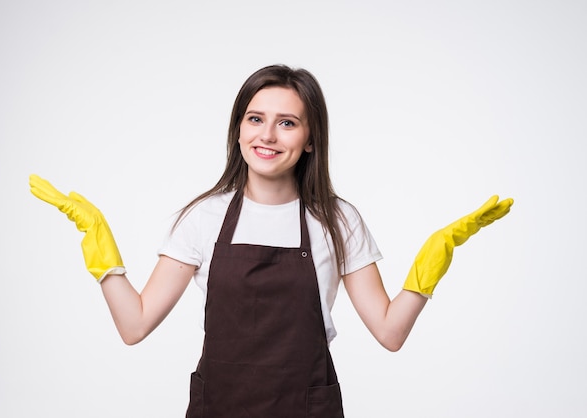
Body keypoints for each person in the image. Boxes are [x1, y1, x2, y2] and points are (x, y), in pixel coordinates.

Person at [29, 64, 513, 417]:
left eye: (287, 122)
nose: (268, 134)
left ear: (309, 140)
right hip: (220, 407)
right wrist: (100, 246)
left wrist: (433, 259)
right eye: (255, 118)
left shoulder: (337, 220)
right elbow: (134, 326)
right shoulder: (203, 218)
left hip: (308, 408)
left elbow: (390, 333)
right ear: (238, 129)